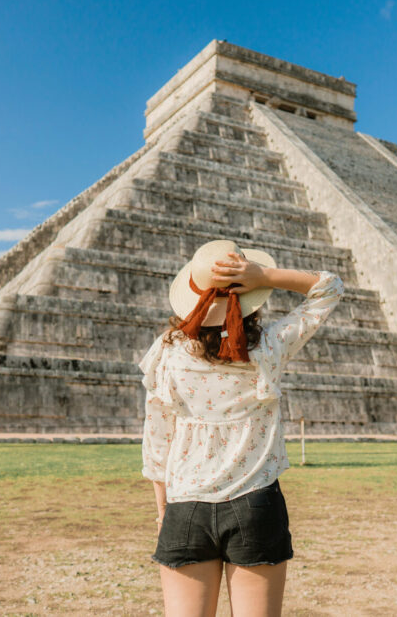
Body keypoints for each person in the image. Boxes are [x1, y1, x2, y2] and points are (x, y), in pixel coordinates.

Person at [140, 239, 343, 616]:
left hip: (185, 506)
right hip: (255, 502)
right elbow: (329, 286)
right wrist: (264, 275)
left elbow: (157, 444)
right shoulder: (268, 347)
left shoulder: (167, 353)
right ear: (251, 298)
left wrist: (162, 512)